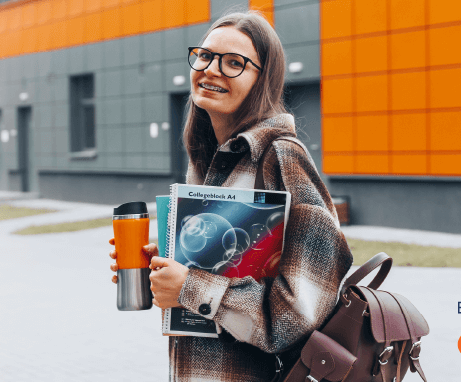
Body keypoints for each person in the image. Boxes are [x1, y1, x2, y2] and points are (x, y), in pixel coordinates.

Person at [109, 11, 353, 381]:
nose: (211, 69)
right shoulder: (210, 162)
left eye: (234, 63)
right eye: (205, 56)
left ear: (262, 81)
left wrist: (190, 287)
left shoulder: (282, 157)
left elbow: (301, 314)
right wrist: (166, 270)